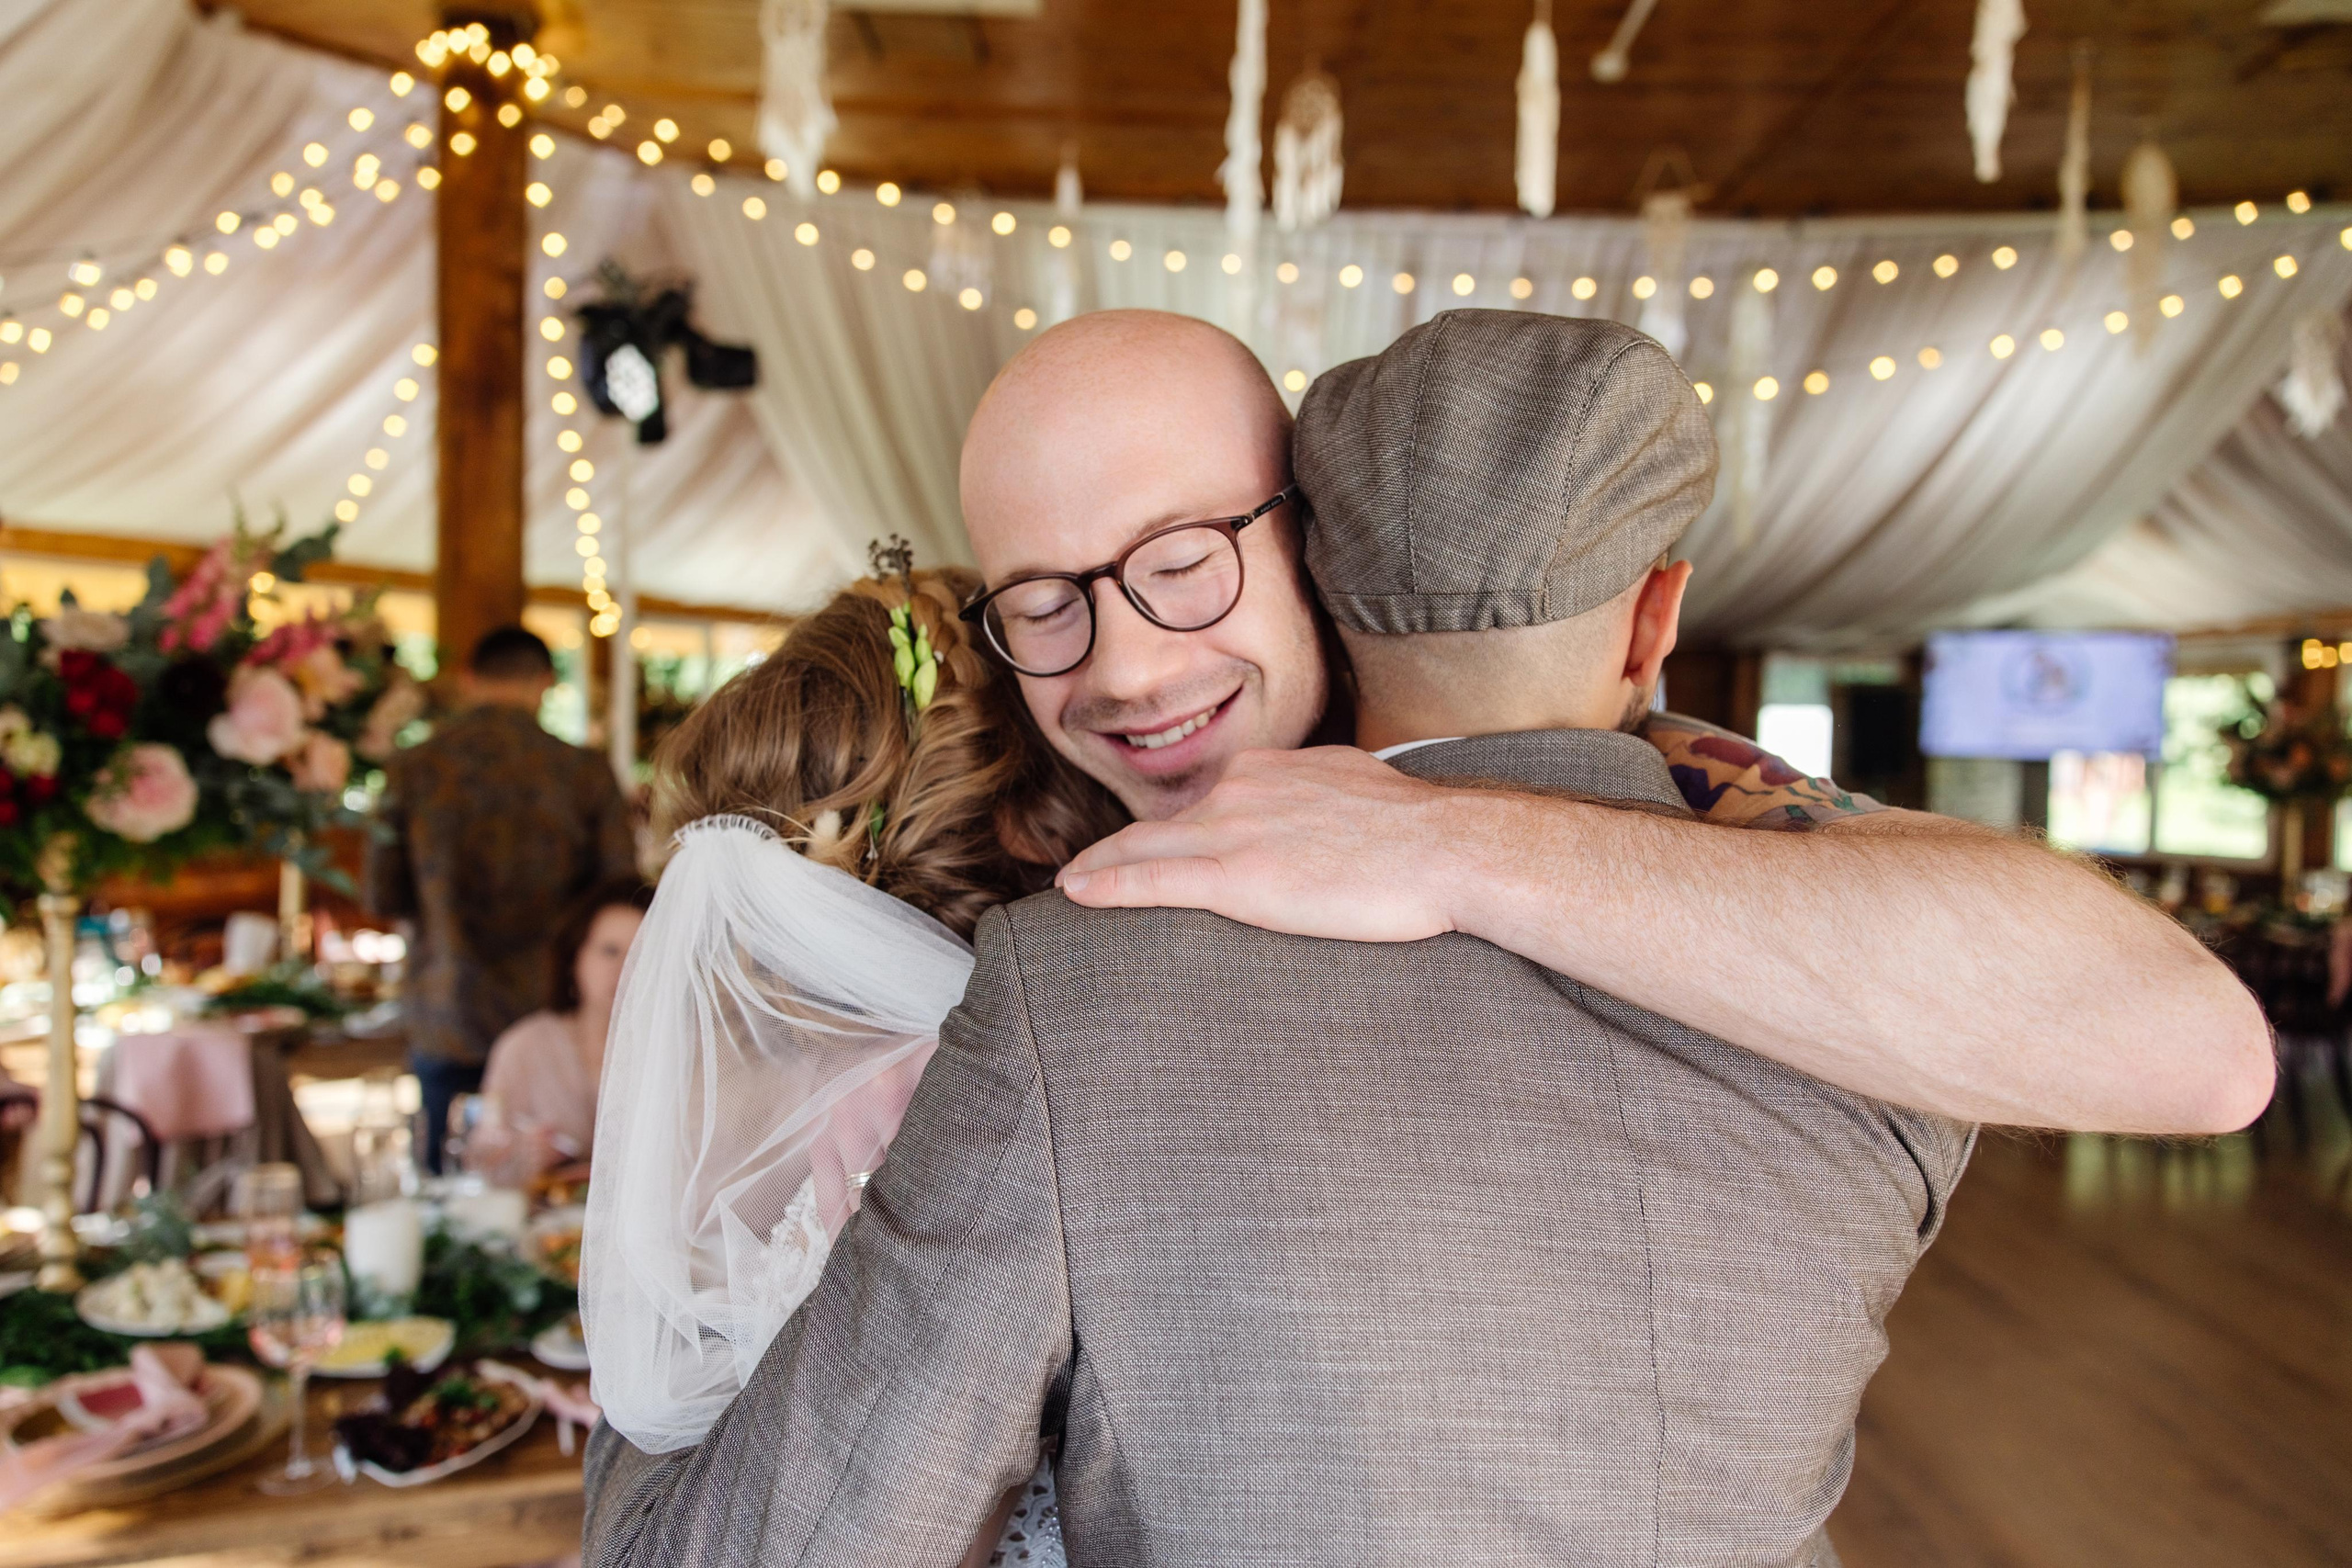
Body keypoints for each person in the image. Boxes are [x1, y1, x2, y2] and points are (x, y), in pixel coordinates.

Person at [580, 313, 2267, 1565]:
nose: (1123, 666)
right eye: (1044, 601)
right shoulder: (1019, 882)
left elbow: (2195, 1046)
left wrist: (1444, 840)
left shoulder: (1718, 839)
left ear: (1323, 549)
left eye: (1181, 560)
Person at [367, 626, 639, 1173]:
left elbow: (380, 894)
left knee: (453, 1179)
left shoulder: (412, 769)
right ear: (545, 683)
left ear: (468, 680)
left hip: (449, 1004)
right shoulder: (582, 771)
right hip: (554, 1006)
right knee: (571, 1190)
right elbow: (621, 893)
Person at [480, 877, 653, 1174]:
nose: (625, 969)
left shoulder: (692, 1053)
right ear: (575, 957)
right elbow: (481, 1158)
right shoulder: (525, 1047)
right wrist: (519, 1154)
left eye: (643, 954)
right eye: (610, 951)